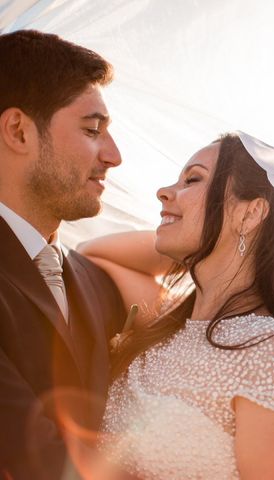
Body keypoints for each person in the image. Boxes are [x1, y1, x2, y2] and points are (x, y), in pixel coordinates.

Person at [79, 133, 274, 479]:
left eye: (192, 179)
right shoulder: (166, 318)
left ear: (251, 212)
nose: (164, 192)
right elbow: (90, 255)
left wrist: (198, 241)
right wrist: (194, 242)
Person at [0, 30, 126, 480]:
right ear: (18, 130)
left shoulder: (96, 281)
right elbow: (31, 454)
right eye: (93, 130)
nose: (114, 156)